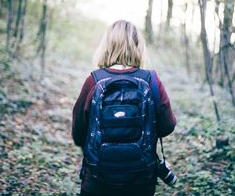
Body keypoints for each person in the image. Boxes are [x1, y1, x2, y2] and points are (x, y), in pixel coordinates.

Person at [72, 20, 176, 196]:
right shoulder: (151, 80)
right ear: (138, 46)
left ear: (106, 45)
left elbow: (78, 132)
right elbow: (167, 126)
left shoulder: (94, 81)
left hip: (98, 178)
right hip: (141, 179)